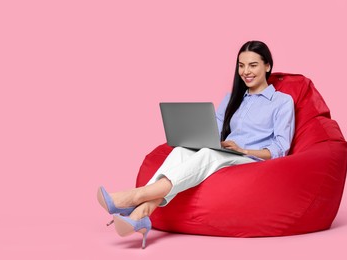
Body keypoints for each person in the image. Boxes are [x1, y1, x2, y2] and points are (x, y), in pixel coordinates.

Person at [97, 40, 295, 248]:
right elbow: (215, 130)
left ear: (267, 66)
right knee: (182, 150)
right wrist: (204, 140)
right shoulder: (232, 98)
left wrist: (242, 149)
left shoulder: (282, 102)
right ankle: (141, 213)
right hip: (225, 153)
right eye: (241, 65)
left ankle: (135, 196)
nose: (245, 71)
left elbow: (281, 148)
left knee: (207, 156)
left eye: (252, 65)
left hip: (250, 159)